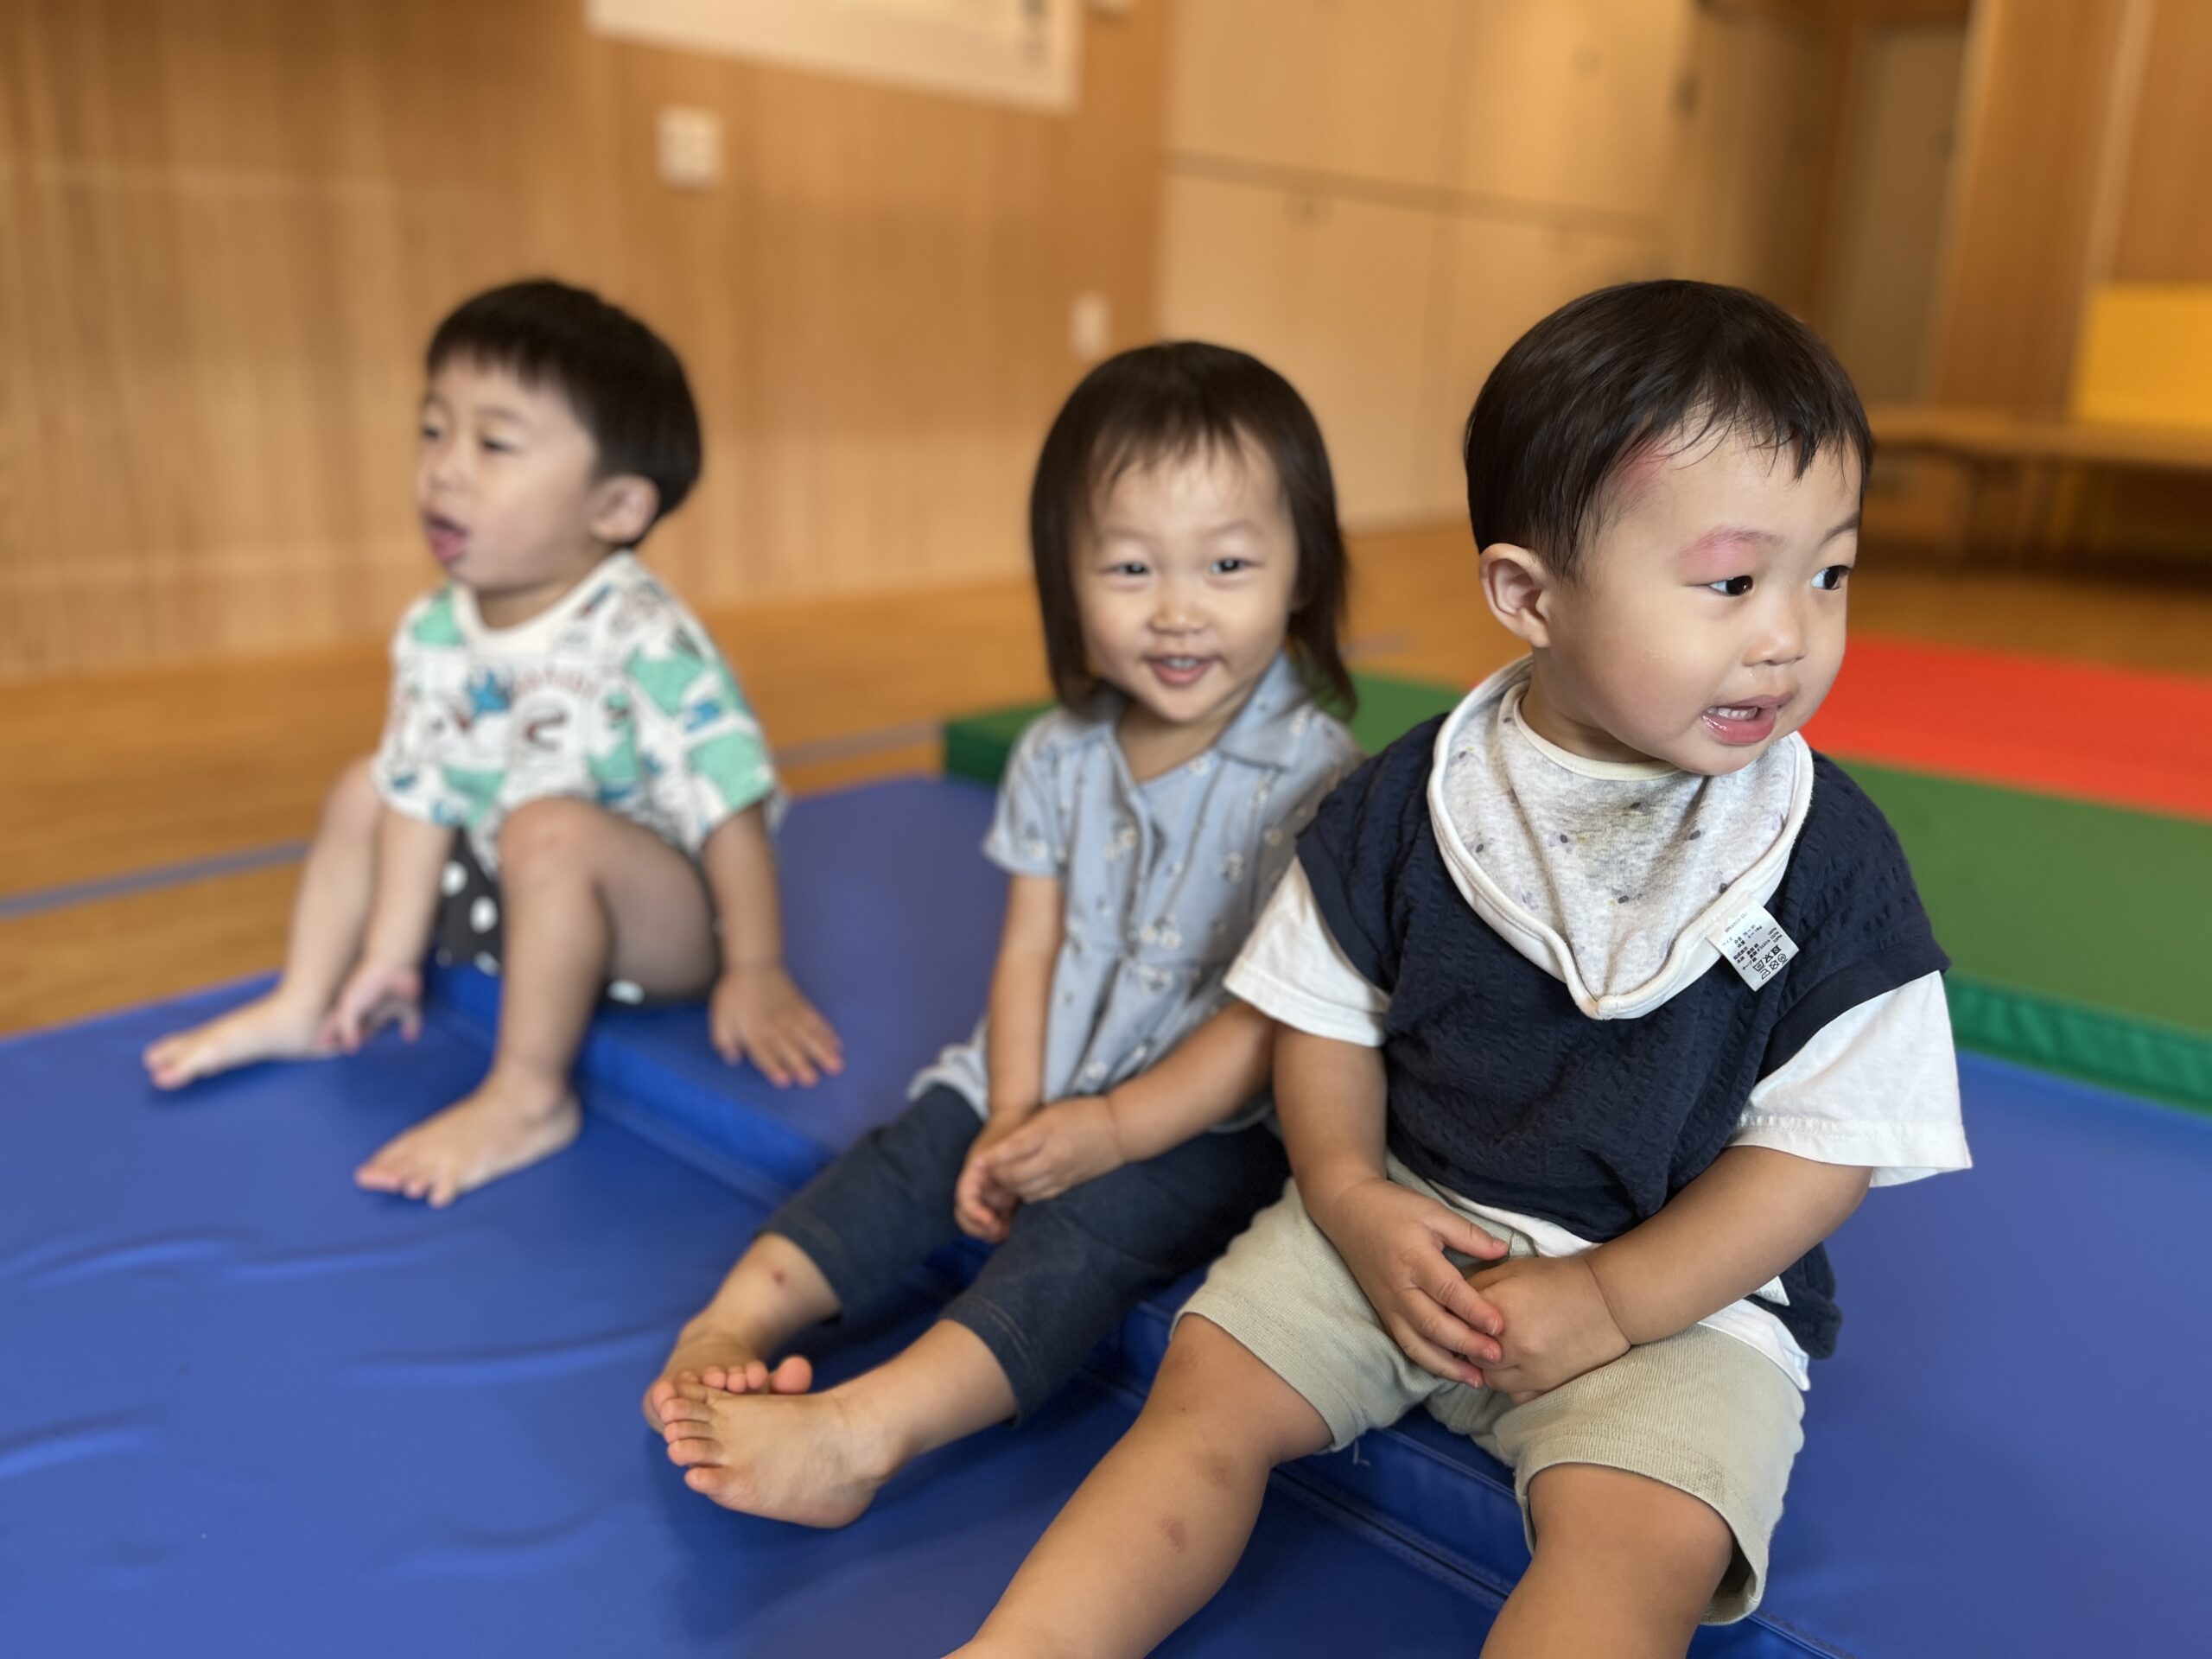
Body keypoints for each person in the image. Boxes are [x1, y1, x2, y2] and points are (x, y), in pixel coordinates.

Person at [953, 281, 1973, 1659]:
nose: (1787, 633)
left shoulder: (1826, 858)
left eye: (1830, 573)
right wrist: (1350, 1194)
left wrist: (1615, 1301)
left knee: (1638, 1552)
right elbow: (1325, 1019)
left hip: (1677, 1300)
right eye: (1733, 580)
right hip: (1401, 1230)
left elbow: (1821, 1153)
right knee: (1203, 1403)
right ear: (1527, 594)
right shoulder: (1412, 798)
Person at [644, 341, 1363, 1529]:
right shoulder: (1057, 756)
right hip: (1034, 1076)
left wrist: (1108, 1131)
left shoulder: (1318, 781)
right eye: (1130, 567)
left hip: (1199, 1120)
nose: (1178, 609)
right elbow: (1030, 948)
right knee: (910, 1155)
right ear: (1066, 580)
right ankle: (731, 1322)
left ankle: (865, 1433)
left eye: (1228, 564)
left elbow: (1267, 1023)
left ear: (1298, 574)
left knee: (1081, 1242)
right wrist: (1018, 1111)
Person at [143, 278, 842, 1206]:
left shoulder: (644, 637)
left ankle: (528, 1094)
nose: (444, 468)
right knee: (366, 783)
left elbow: (732, 805)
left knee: (548, 830)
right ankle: (309, 1003)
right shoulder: (437, 627)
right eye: (433, 430)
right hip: (514, 894)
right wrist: (392, 956)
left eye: (495, 443)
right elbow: (422, 785)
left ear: (618, 508)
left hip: (658, 924)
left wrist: (755, 970)